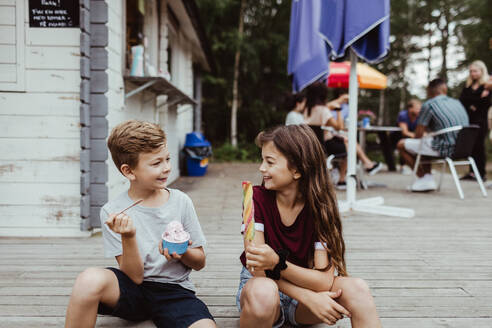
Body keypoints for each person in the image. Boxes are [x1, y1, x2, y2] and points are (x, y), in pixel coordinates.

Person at [65, 120, 215, 328]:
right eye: (156, 163)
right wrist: (128, 236)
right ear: (129, 171)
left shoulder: (181, 201)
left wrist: (183, 252)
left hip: (174, 292)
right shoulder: (113, 211)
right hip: (132, 291)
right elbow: (134, 277)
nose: (166, 168)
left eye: (167, 159)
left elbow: (199, 262)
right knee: (88, 280)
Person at [236, 125, 381, 328]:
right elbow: (258, 271)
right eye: (262, 160)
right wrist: (308, 297)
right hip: (263, 294)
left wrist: (278, 263)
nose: (261, 168)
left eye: (269, 162)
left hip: (303, 297)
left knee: (357, 288)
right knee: (263, 292)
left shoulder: (321, 207)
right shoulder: (255, 198)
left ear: (297, 170)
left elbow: (323, 282)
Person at [303, 82, 382, 189]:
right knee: (349, 146)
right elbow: (338, 127)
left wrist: (338, 102)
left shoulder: (307, 110)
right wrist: (339, 111)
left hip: (311, 144)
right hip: (326, 145)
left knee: (347, 141)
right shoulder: (323, 110)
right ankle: (342, 179)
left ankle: (367, 164)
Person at [397, 78, 469, 192]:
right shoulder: (457, 103)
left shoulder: (429, 105)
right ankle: (427, 179)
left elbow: (418, 135)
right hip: (464, 148)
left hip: (446, 148)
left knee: (402, 144)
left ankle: (424, 179)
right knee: (426, 144)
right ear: (445, 89)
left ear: (430, 91)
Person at [459, 60, 491, 181]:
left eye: (475, 71)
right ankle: (472, 173)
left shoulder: (486, 86)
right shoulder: (468, 86)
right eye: (471, 71)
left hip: (481, 121)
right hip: (468, 120)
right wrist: (476, 101)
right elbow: (463, 100)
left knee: (479, 146)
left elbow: (486, 103)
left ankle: (481, 174)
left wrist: (473, 103)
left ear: (482, 71)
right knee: (471, 146)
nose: (472, 73)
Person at [379, 99, 422, 171]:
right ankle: (403, 166)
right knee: (405, 143)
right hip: (395, 137)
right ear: (410, 108)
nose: (419, 110)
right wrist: (418, 136)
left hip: (409, 136)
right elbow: (405, 132)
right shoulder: (403, 115)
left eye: (420, 109)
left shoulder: (419, 117)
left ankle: (414, 166)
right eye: (417, 108)